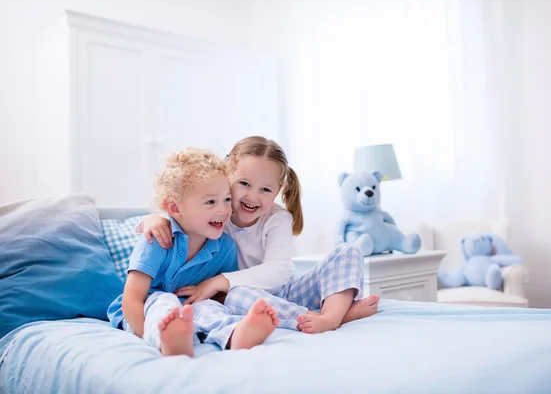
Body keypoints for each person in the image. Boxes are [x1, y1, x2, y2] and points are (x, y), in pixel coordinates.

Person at [138, 137, 379, 334]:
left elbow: (279, 270)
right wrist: (153, 218)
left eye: (265, 189)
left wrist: (219, 281)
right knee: (234, 296)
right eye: (243, 183)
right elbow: (180, 212)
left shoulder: (277, 218)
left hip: (286, 291)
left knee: (348, 252)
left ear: (279, 189)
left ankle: (333, 316)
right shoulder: (213, 213)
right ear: (225, 175)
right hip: (242, 298)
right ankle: (319, 316)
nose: (253, 197)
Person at [107, 147, 279, 357]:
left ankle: (235, 334)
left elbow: (221, 295)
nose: (224, 210)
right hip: (144, 309)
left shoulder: (225, 246)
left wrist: (215, 307)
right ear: (175, 208)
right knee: (164, 302)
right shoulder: (157, 238)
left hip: (191, 307)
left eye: (226, 199)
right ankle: (168, 339)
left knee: (210, 308)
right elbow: (132, 298)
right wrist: (144, 333)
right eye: (210, 202)